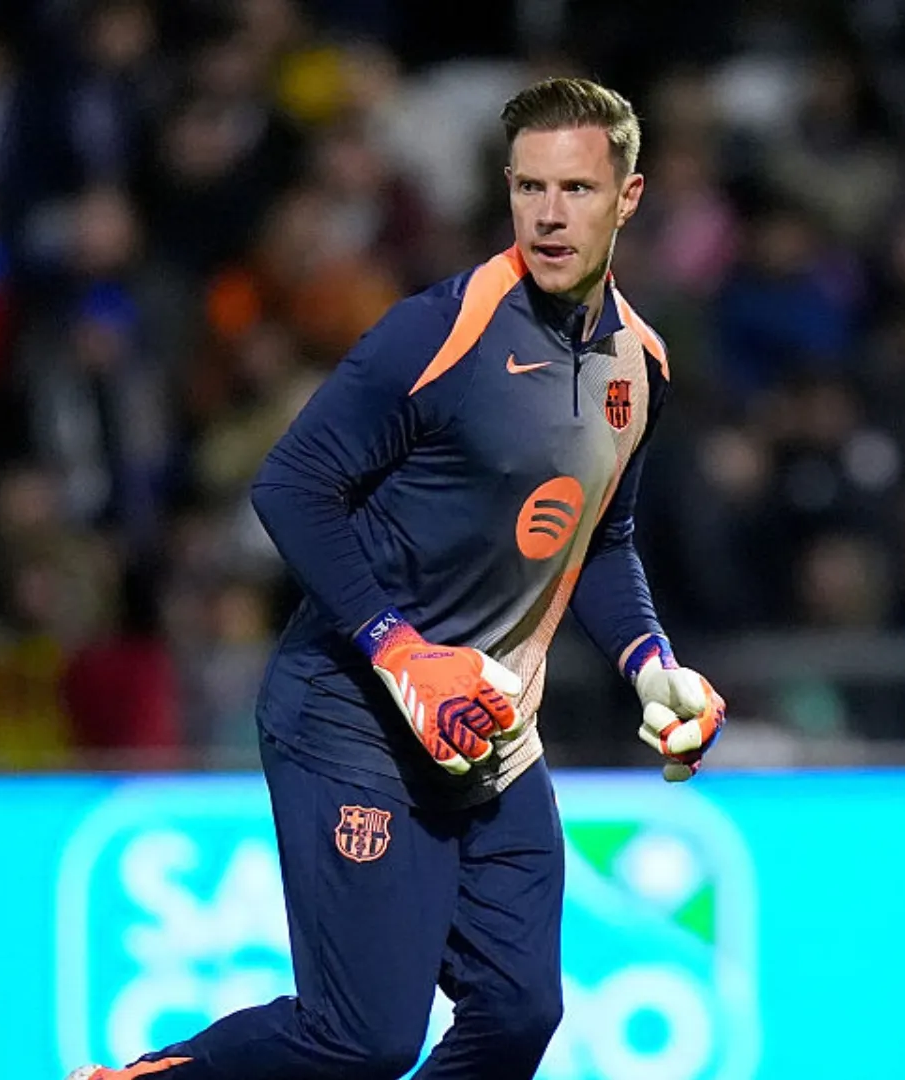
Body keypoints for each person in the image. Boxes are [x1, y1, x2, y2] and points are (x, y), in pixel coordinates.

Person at [67, 76, 728, 1080]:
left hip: (491, 737)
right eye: (529, 187)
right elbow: (289, 486)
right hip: (354, 718)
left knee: (516, 1015)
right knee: (360, 1041)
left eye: (578, 190)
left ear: (627, 198)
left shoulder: (642, 365)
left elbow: (602, 538)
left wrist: (650, 664)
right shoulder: (441, 332)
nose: (550, 215)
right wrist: (401, 651)